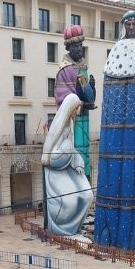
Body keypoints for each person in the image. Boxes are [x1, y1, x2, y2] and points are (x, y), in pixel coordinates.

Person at [94, 6, 135, 250]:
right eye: (129, 24)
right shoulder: (119, 50)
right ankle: (114, 236)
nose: (132, 27)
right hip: (120, 132)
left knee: (130, 167)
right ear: (125, 26)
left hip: (134, 130)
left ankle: (124, 237)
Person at [42, 94, 94, 236]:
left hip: (68, 166)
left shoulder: (70, 123)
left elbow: (71, 148)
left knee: (88, 195)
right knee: (70, 201)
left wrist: (78, 163)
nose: (77, 112)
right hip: (56, 171)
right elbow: (50, 157)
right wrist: (66, 150)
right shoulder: (58, 127)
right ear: (70, 108)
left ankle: (74, 228)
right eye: (76, 108)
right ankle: (64, 230)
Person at [56, 25, 96, 178]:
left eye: (80, 45)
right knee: (77, 151)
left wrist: (91, 88)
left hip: (84, 117)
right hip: (73, 120)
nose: (79, 49)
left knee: (84, 152)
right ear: (69, 48)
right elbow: (63, 98)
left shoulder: (82, 65)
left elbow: (90, 97)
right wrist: (80, 103)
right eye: (75, 46)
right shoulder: (65, 69)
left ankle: (85, 179)